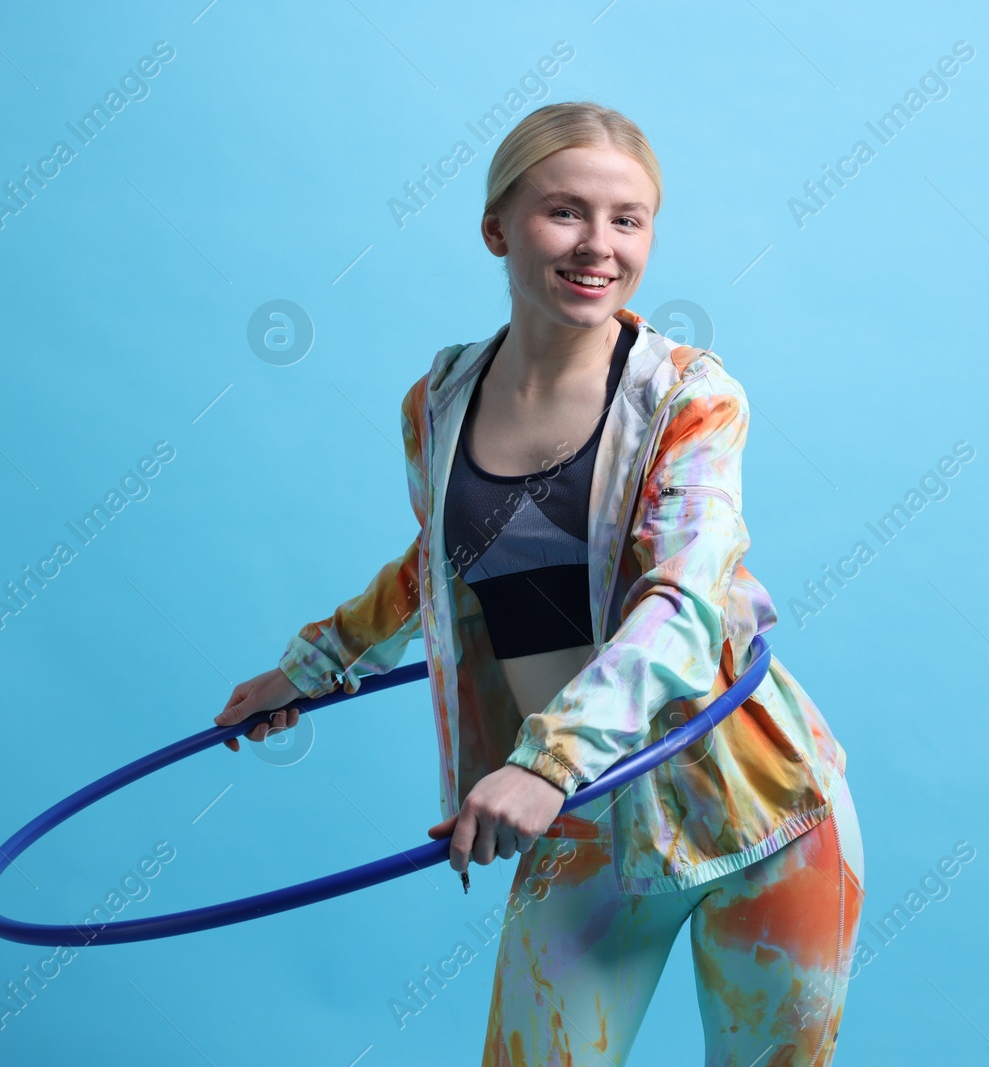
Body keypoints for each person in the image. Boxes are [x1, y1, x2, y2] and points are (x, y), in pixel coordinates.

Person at [216, 101, 865, 1066]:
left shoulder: (692, 396)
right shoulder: (437, 399)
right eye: (565, 212)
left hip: (761, 807)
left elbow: (684, 605)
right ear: (496, 228)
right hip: (582, 825)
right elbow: (448, 566)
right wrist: (316, 665)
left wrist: (544, 760)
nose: (598, 246)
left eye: (628, 219)